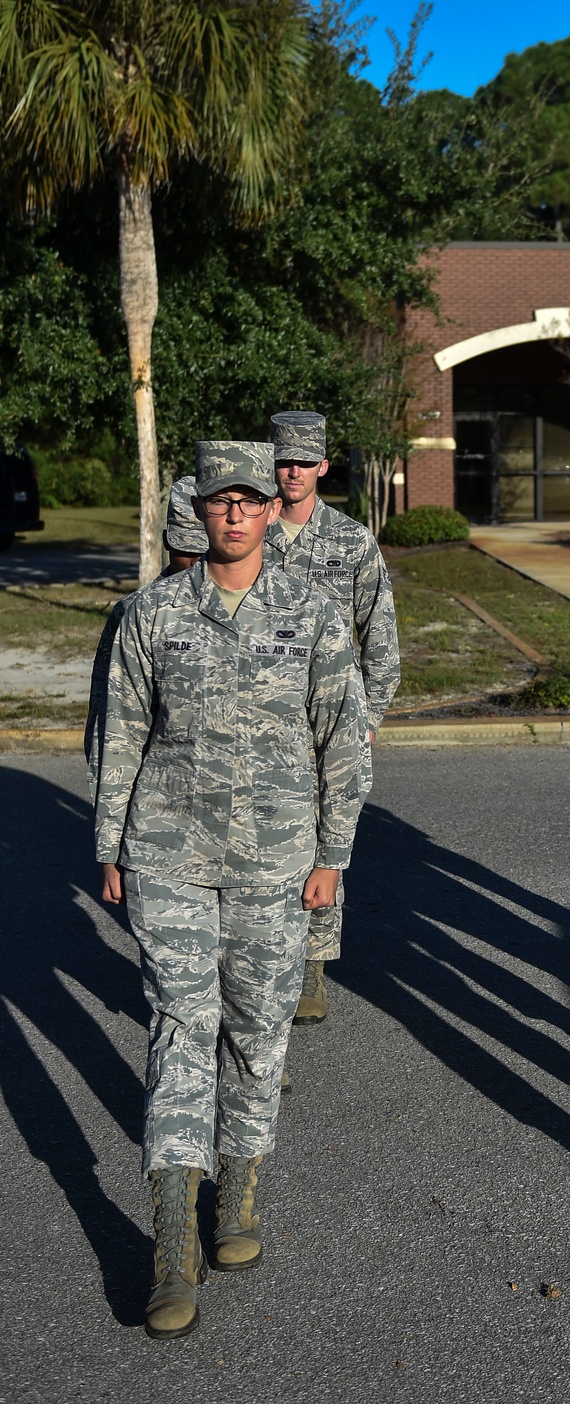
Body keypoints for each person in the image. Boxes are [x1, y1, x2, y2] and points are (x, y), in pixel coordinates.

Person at [90, 440, 367, 1340]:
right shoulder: (152, 615)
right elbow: (121, 733)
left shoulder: (314, 613)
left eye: (251, 499)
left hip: (277, 862)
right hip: (168, 850)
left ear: (265, 508)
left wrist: (333, 854)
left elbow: (344, 743)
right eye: (221, 501)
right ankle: (171, 1235)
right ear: (200, 510)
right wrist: (111, 844)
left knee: (255, 1023)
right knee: (181, 1022)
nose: (238, 513)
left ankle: (237, 1189)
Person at [264, 410, 399, 1027]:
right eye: (282, 461)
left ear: (323, 466)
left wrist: (370, 711)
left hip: (331, 716)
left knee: (325, 836)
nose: (291, 472)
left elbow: (380, 632)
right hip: (259, 715)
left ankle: (313, 963)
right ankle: (261, 957)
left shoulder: (351, 541)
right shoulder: (249, 533)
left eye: (303, 462)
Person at [85, 476, 205, 769]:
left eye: (204, 549)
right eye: (183, 550)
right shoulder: (132, 613)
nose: (194, 562)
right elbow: (107, 726)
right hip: (159, 798)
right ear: (166, 541)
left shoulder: (254, 612)